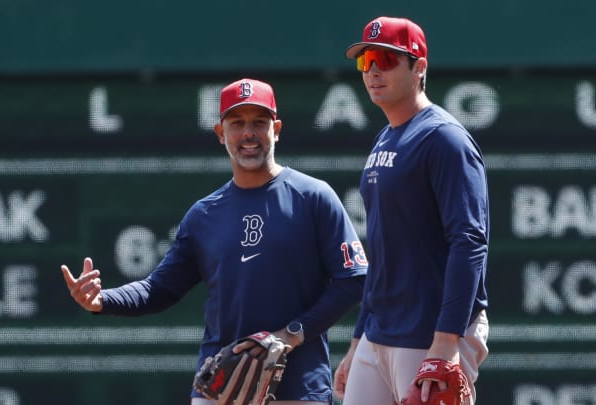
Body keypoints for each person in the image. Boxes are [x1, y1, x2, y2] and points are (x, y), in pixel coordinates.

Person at [61, 78, 368, 404]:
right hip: (221, 387)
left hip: (299, 386)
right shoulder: (204, 214)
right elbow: (158, 289)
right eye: (237, 123)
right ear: (221, 133)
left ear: (276, 129)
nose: (248, 133)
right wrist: (101, 301)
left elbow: (354, 279)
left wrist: (291, 334)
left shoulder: (313, 197)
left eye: (259, 122)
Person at [333, 16, 490, 405]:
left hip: (428, 332)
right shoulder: (384, 138)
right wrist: (357, 342)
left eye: (386, 60)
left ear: (419, 67)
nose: (372, 71)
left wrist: (446, 341)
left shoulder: (444, 138)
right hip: (380, 330)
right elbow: (383, 253)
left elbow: (469, 241)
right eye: (365, 61)